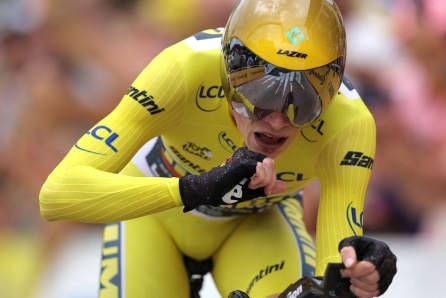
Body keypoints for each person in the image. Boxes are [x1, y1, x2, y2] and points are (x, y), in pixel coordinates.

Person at [38, 0, 397, 297]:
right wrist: (197, 188)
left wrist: (355, 278)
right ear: (226, 75)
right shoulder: (184, 69)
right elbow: (56, 195)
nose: (277, 121)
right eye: (260, 94)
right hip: (155, 223)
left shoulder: (350, 122)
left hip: (256, 226)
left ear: (332, 93)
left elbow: (331, 276)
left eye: (303, 102)